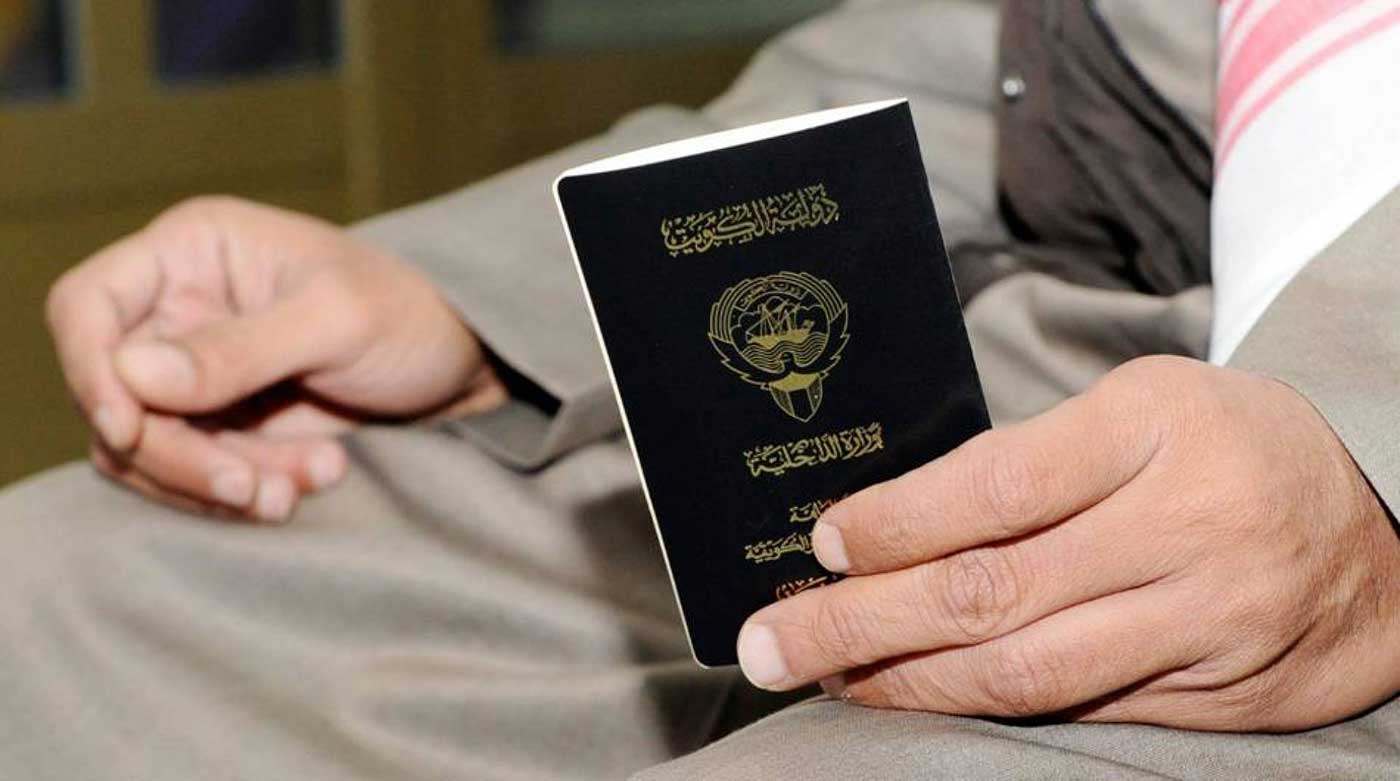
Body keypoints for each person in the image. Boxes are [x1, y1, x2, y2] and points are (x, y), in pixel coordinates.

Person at [5, 1, 1400, 777]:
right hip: (1052, 357)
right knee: (53, 591)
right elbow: (1004, 62)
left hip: (1336, 432)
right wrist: (477, 293)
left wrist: (1366, 451)